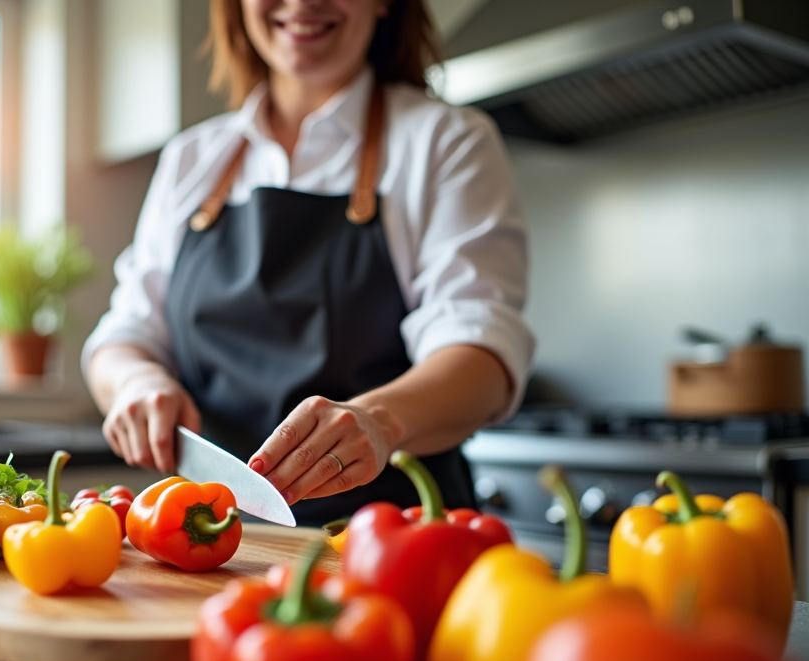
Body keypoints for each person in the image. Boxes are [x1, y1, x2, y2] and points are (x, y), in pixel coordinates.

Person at [83, 0, 534, 525]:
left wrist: (379, 420)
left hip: (391, 541)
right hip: (210, 541)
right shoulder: (192, 158)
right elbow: (124, 337)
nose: (301, 4)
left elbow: (482, 352)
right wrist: (137, 383)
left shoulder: (446, 142)